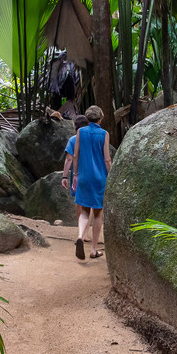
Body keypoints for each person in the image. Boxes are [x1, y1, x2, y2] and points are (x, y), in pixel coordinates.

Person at [63, 105, 111, 260]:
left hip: (83, 176)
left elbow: (75, 156)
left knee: (84, 210)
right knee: (97, 213)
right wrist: (111, 175)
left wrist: (75, 174)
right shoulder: (104, 134)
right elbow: (107, 159)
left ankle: (80, 237)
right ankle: (94, 250)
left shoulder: (80, 132)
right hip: (99, 178)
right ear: (100, 118)